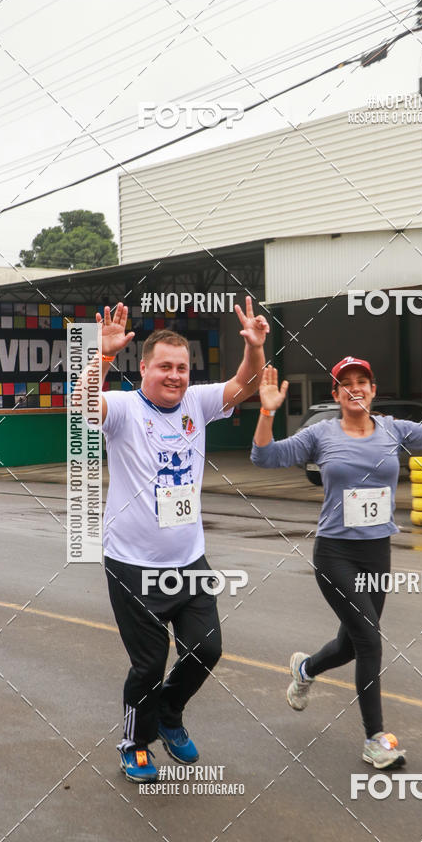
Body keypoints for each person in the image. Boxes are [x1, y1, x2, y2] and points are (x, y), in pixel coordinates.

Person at [251, 357, 422, 769]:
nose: (355, 387)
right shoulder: (321, 434)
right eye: (345, 383)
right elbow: (264, 457)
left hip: (377, 552)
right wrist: (266, 411)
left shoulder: (393, 429)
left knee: (351, 645)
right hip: (335, 553)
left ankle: (305, 668)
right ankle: (374, 739)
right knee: (369, 640)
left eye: (362, 381)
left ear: (372, 390)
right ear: (335, 395)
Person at [91, 298, 268, 782]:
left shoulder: (197, 403)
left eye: (183, 368)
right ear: (143, 368)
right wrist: (102, 356)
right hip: (132, 563)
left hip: (189, 561)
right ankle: (135, 740)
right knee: (148, 666)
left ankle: (169, 713)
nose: (174, 375)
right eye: (164, 367)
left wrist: (253, 349)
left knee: (206, 651)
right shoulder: (124, 410)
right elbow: (82, 405)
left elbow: (245, 386)